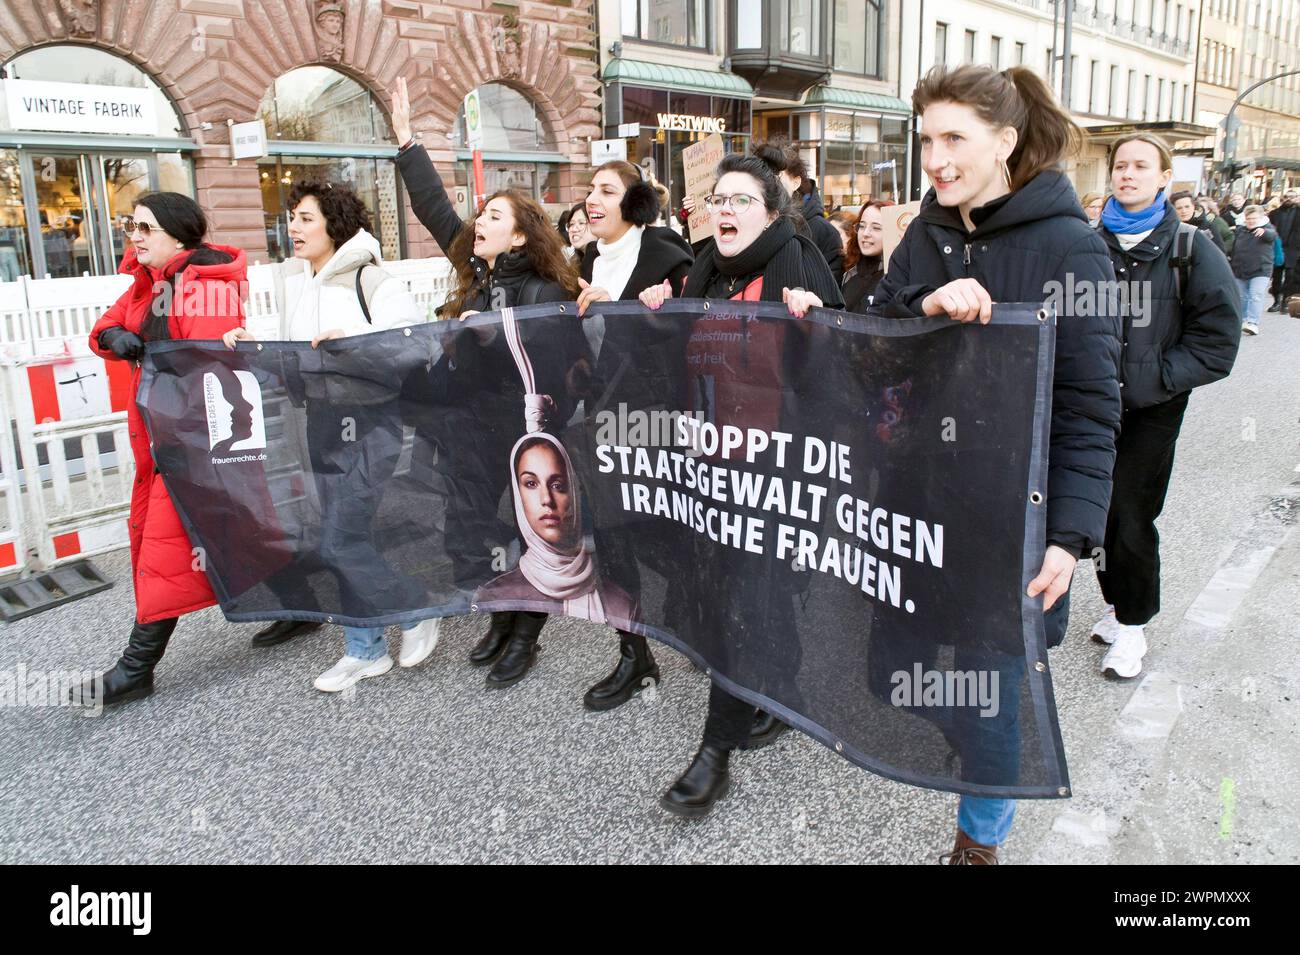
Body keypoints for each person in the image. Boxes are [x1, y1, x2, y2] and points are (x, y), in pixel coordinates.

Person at [865, 64, 1125, 863]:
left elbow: (1090, 405)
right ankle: (979, 748)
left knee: (992, 700)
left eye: (954, 139)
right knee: (890, 672)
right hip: (915, 504)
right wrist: (920, 307)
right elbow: (873, 340)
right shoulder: (925, 233)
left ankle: (978, 841)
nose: (934, 159)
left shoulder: (1074, 247)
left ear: (1005, 141)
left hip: (1012, 517)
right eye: (926, 140)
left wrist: (1070, 538)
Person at [637, 152, 843, 819]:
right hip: (710, 466)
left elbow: (847, 376)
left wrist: (819, 329)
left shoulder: (800, 261)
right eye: (717, 199)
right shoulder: (704, 270)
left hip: (779, 474)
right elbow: (677, 362)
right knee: (758, 594)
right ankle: (778, 692)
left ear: (774, 213)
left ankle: (712, 754)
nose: (724, 210)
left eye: (741, 201)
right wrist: (655, 316)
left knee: (743, 599)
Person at [389, 77, 586, 690]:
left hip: (522, 429)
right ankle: (503, 615)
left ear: (521, 234)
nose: (479, 222)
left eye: (493, 215)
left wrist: (491, 334)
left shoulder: (548, 288)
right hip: (468, 426)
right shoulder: (475, 273)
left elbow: (555, 363)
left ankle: (527, 631)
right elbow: (435, 210)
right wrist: (407, 145)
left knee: (527, 526)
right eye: (481, 215)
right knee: (476, 525)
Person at [223, 179, 441, 691]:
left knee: (339, 540)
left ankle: (414, 606)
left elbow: (411, 347)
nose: (292, 228)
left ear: (333, 224)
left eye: (304, 218)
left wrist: (353, 344)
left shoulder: (372, 279)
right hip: (321, 427)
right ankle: (364, 649)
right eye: (292, 218)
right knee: (347, 538)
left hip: (369, 426)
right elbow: (298, 368)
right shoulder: (306, 285)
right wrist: (255, 350)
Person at [76, 193, 247, 707]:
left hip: (190, 443)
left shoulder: (204, 289)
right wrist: (114, 336)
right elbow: (101, 329)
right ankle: (288, 606)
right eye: (132, 225)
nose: (135, 235)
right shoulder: (147, 284)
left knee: (164, 549)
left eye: (146, 227)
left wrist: (186, 442)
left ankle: (136, 667)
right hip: (160, 436)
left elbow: (207, 377)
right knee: (243, 531)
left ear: (177, 235)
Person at [1092, 134, 1240, 681]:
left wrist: (1158, 379)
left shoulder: (1191, 247)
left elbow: (1218, 341)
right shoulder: (1087, 244)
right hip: (1093, 405)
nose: (1127, 174)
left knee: (1131, 513)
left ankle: (1132, 626)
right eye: (1120, 166)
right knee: (1096, 510)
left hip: (1154, 408)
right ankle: (1116, 604)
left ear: (1163, 177)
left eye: (1140, 166)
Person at [574, 158, 695, 711]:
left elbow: (683, 339)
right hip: (598, 427)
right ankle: (633, 652)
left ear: (635, 203)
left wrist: (619, 310)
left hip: (657, 426)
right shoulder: (579, 262)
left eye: (606, 189)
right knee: (614, 543)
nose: (591, 199)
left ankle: (700, 622)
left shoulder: (669, 256)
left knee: (667, 540)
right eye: (589, 190)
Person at [475, 433, 639, 626]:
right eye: (531, 484)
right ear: (518, 497)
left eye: (557, 485)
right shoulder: (495, 600)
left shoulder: (619, 607)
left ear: (575, 496)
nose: (546, 499)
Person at [752, 139, 844, 282]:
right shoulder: (749, 223)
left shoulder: (824, 232)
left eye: (776, 177)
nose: (769, 185)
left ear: (796, 182)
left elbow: (827, 291)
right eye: (762, 178)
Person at [1230, 205, 1278, 336]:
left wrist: (1264, 232)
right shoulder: (1241, 230)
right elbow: (1234, 249)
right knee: (1242, 297)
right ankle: (1244, 321)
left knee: (1255, 295)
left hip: (1261, 270)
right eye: (1248, 218)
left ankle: (1252, 322)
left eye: (1254, 218)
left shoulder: (1267, 229)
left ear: (1261, 218)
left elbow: (1272, 236)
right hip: (1240, 269)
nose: (1251, 221)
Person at [841, 200, 889, 313]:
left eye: (876, 228)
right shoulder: (848, 274)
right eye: (861, 226)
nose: (866, 233)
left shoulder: (898, 279)